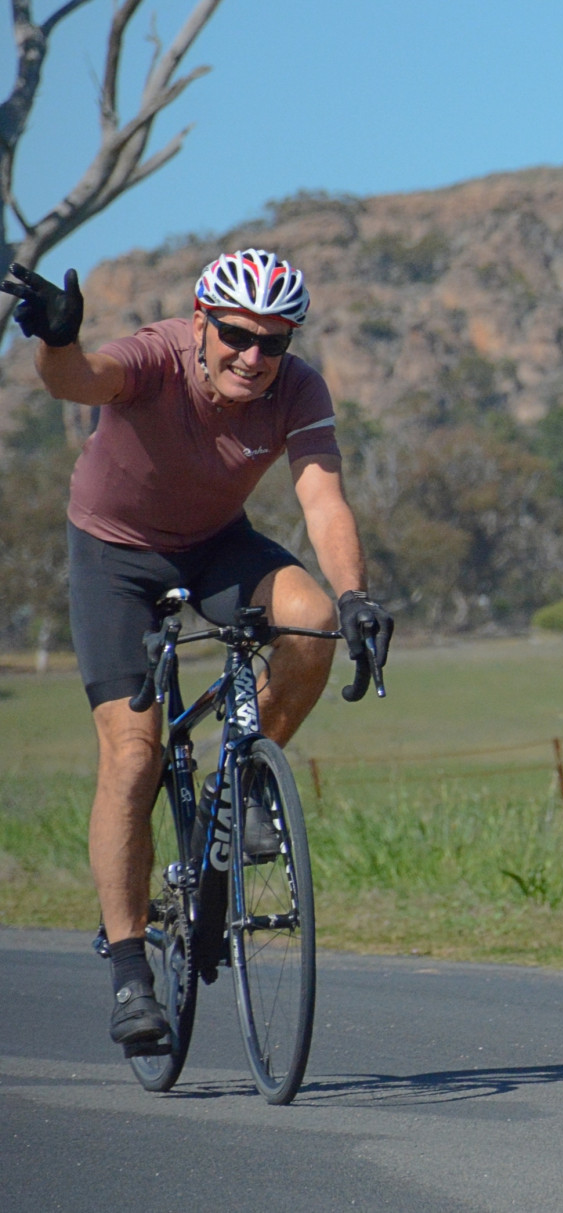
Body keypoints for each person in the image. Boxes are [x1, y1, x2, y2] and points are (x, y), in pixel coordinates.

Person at [3, 251, 393, 1052]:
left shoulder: (298, 389)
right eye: (238, 335)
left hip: (217, 545)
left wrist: (355, 595)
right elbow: (82, 380)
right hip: (115, 555)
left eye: (274, 342)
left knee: (312, 621)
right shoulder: (157, 355)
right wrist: (57, 342)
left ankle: (241, 778)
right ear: (202, 320)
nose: (254, 356)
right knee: (134, 755)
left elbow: (322, 497)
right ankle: (129, 973)